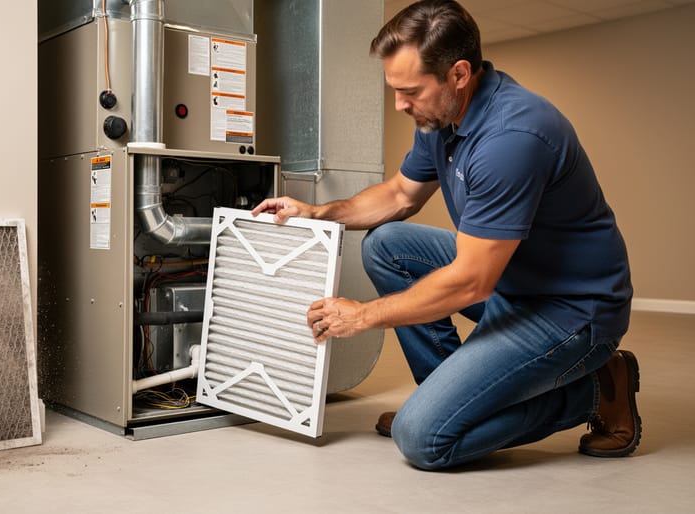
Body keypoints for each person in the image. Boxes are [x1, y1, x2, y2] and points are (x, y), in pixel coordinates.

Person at [251, 0, 640, 470]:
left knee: (422, 439)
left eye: (410, 90)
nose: (399, 104)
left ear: (458, 74)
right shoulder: (442, 119)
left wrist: (363, 316)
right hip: (513, 284)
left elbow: (471, 282)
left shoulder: (511, 138)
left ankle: (597, 391)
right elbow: (398, 195)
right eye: (394, 89)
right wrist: (317, 212)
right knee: (386, 245)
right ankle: (448, 398)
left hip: (570, 311)